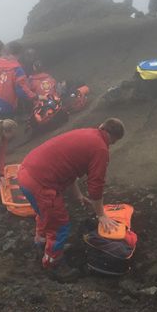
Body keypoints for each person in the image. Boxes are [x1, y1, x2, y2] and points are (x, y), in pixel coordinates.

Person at [17, 118, 126, 278]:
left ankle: (41, 244)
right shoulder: (100, 149)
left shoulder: (87, 134)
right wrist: (101, 215)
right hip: (41, 183)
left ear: (102, 126)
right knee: (59, 225)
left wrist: (78, 196)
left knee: (44, 214)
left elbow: (70, 171)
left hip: (25, 173)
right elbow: (96, 185)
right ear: (114, 138)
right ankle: (53, 263)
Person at [0, 41, 36, 118]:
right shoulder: (17, 69)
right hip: (6, 104)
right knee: (8, 126)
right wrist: (35, 96)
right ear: (18, 54)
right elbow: (21, 92)